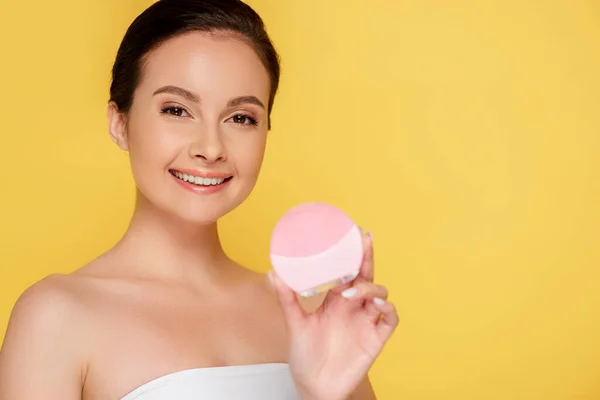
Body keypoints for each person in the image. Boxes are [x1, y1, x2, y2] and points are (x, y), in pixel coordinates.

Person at [0, 0, 398, 399]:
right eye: (176, 109)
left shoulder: (309, 311)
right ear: (119, 123)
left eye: (241, 117)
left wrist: (324, 392)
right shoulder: (56, 317)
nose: (210, 147)